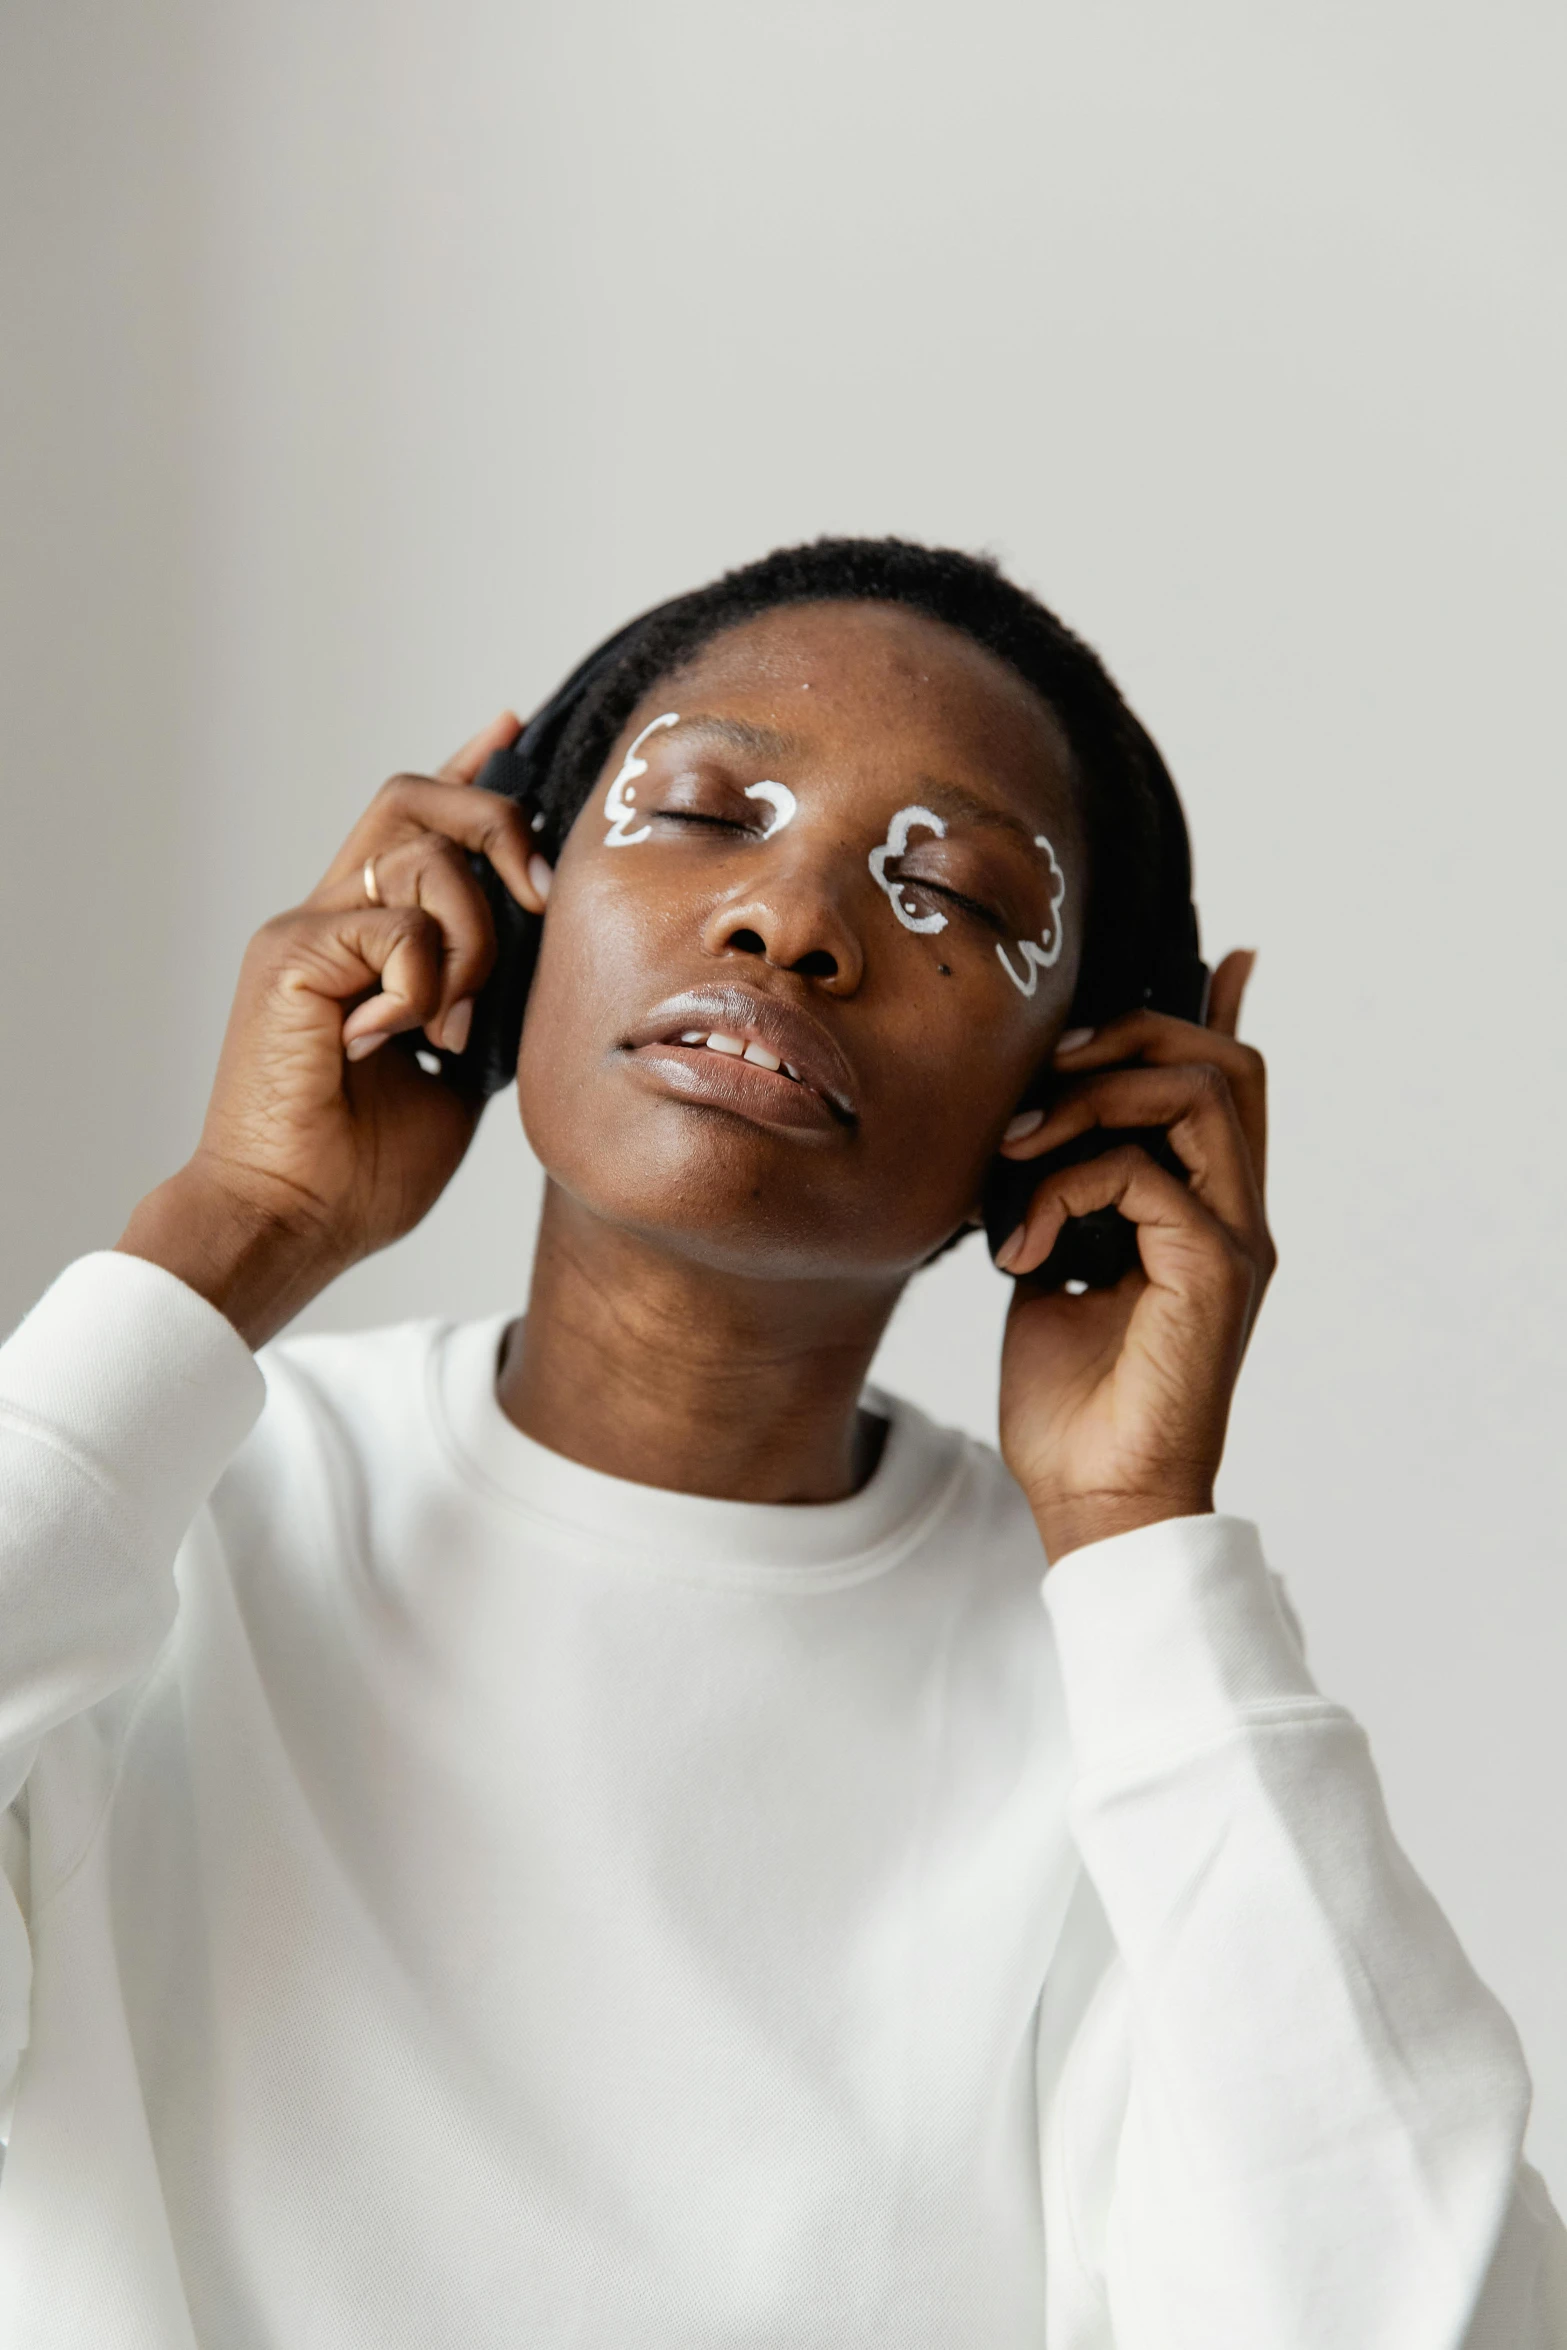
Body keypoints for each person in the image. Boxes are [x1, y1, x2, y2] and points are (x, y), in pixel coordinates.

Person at [0, 538, 1561, 2347]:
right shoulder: (146, 1511)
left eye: (959, 895)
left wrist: (1138, 1533)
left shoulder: (1119, 1702)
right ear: (504, 909)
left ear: (1072, 1091)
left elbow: (1413, 2311)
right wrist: (233, 1230)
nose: (790, 916)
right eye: (702, 807)